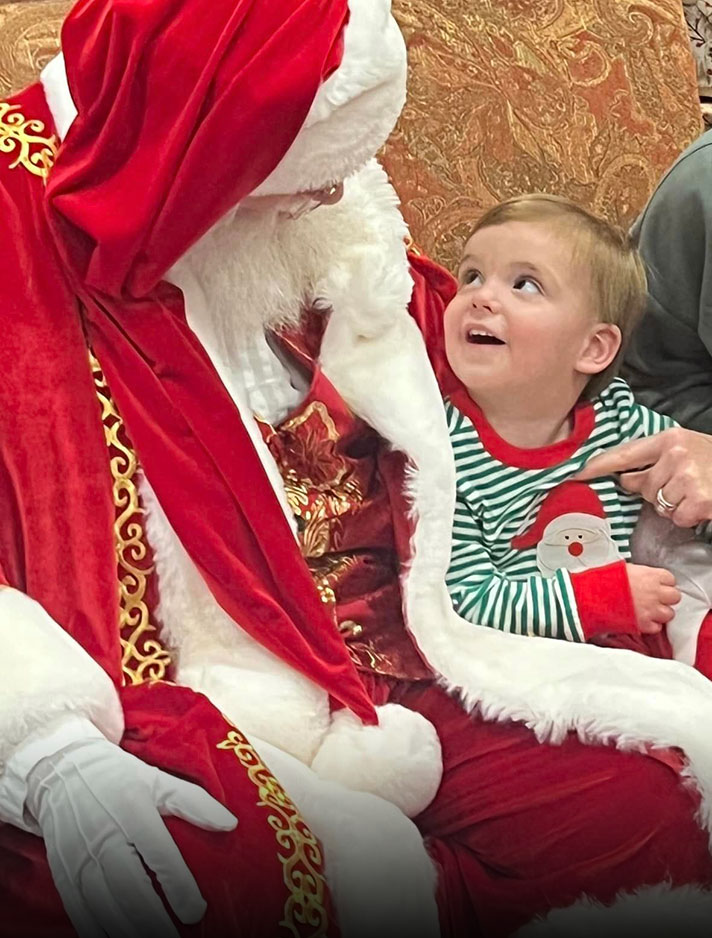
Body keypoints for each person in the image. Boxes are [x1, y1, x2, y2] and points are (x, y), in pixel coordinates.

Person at [5, 1, 712, 937]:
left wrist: (691, 444)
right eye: (310, 179)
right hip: (184, 690)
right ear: (205, 153)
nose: (342, 197)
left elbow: (520, 379)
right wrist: (45, 746)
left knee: (650, 807)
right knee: (188, 877)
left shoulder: (334, 206)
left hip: (393, 656)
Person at [442, 192, 712, 670]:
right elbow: (461, 599)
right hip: (537, 667)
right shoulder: (442, 445)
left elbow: (696, 488)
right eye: (471, 276)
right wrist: (598, 599)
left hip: (649, 639)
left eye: (524, 284)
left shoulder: (620, 418)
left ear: (592, 348)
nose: (481, 296)